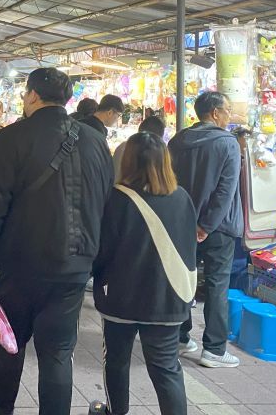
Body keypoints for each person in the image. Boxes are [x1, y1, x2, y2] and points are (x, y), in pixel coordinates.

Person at [0, 67, 114, 415]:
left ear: (31, 95)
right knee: (58, 352)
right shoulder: (95, 141)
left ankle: (0, 409)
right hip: (73, 267)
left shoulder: (12, 137)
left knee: (9, 342)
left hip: (19, 264)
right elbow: (106, 204)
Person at [91, 133, 197, 415]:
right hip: (169, 297)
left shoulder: (115, 198)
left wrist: (96, 278)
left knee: (116, 360)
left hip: (121, 297)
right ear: (165, 162)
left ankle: (115, 411)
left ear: (127, 161)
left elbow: (102, 250)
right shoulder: (182, 198)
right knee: (166, 367)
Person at [168, 91, 242, 368]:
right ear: (214, 113)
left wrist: (191, 223)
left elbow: (168, 181)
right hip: (218, 227)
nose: (229, 115)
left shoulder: (178, 141)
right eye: (227, 109)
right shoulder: (228, 143)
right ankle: (214, 349)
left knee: (183, 280)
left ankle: (180, 337)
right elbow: (226, 190)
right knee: (216, 285)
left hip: (180, 222)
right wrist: (207, 225)